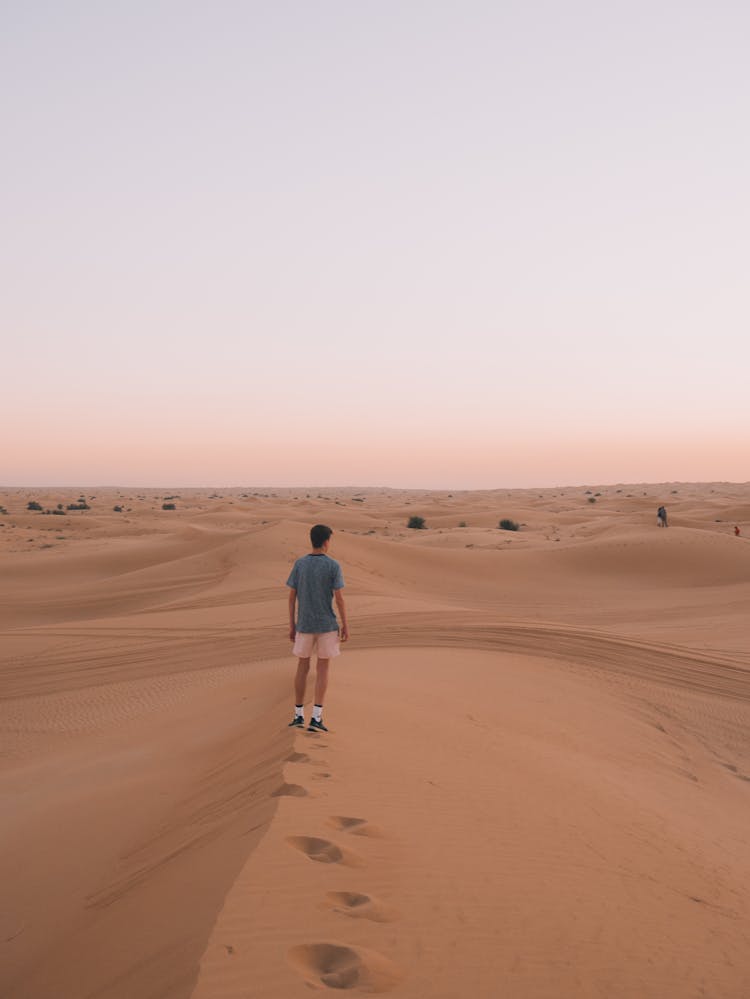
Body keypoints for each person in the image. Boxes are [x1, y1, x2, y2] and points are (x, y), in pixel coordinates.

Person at [286, 524, 348, 733]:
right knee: (323, 669)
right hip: (326, 625)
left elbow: (292, 597)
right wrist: (346, 625)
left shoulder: (300, 564)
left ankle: (298, 715)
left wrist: (292, 625)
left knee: (302, 667)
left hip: (304, 624)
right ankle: (317, 718)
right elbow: (339, 599)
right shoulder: (333, 566)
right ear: (325, 541)